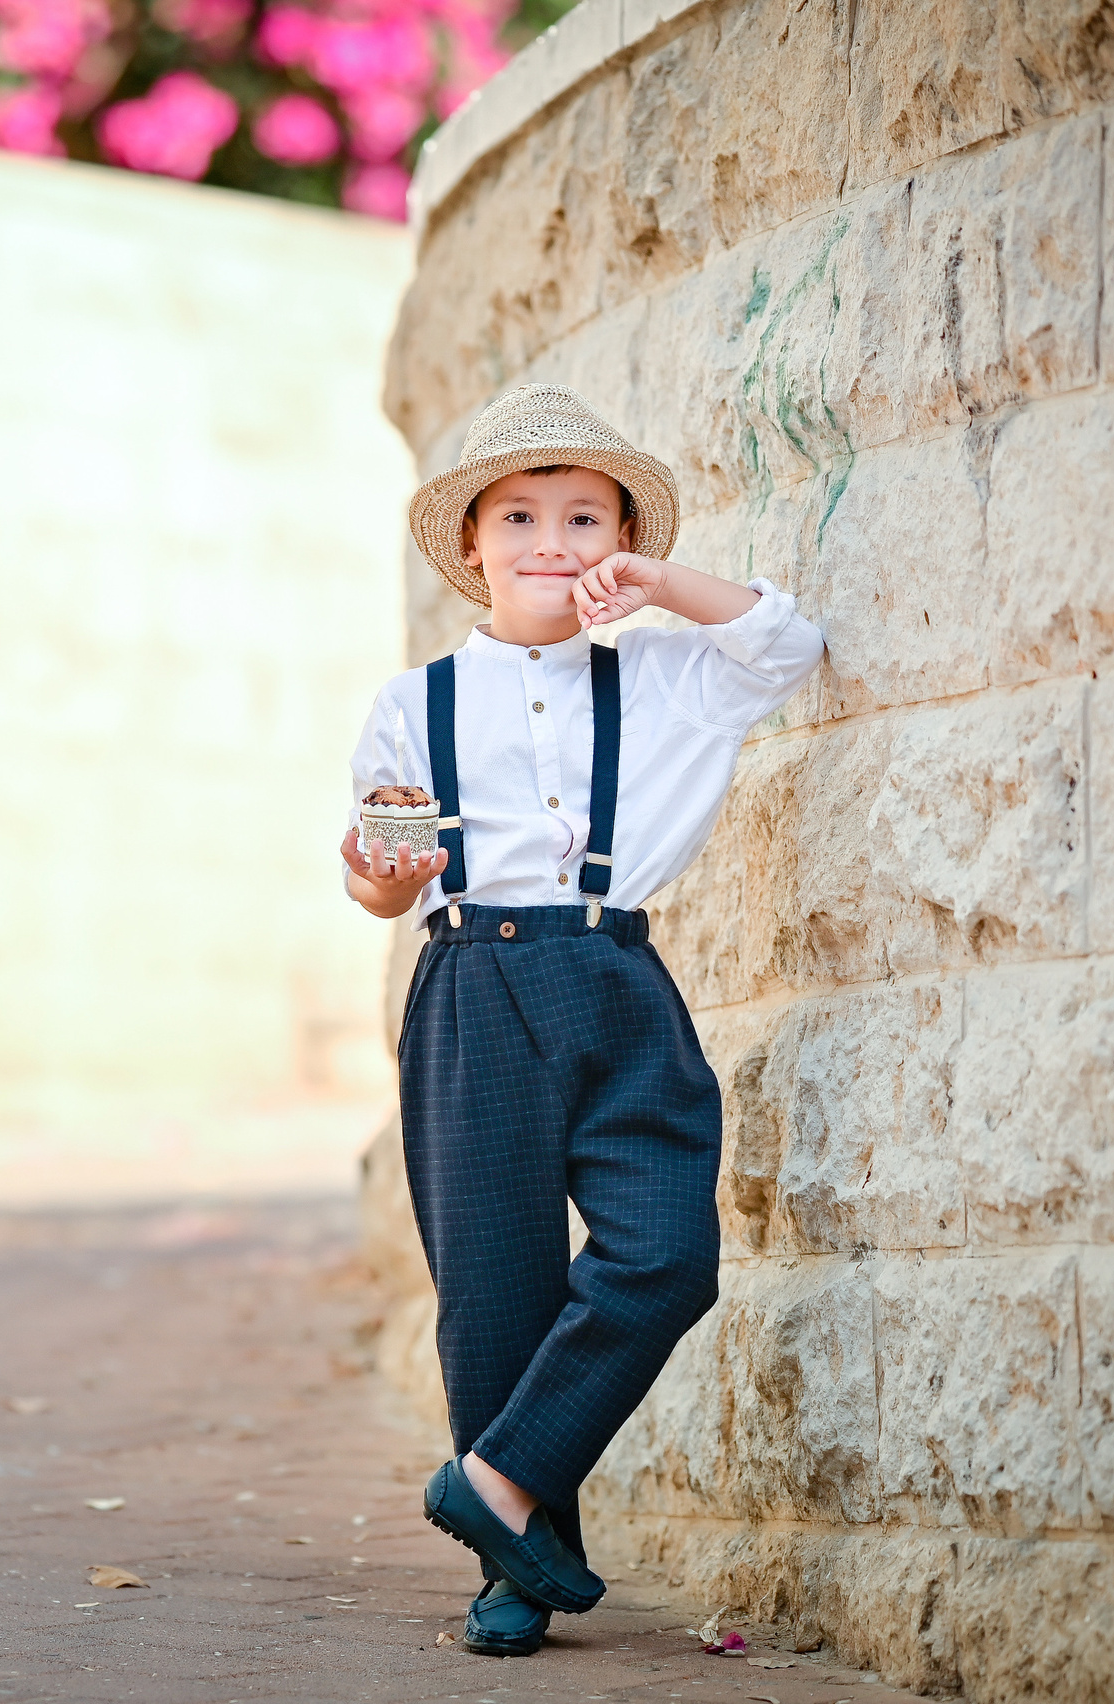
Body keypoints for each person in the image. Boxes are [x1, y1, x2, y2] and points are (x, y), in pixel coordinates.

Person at [339, 385, 825, 1657]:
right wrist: (377, 872)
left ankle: (490, 1486)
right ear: (472, 544)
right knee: (493, 1293)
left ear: (620, 536)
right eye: (518, 516)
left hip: (614, 978)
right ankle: (515, 1569)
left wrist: (658, 586)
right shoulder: (413, 706)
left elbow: (784, 642)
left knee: (665, 1255)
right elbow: (380, 881)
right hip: (470, 984)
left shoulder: (670, 678)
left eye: (583, 517)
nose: (550, 540)